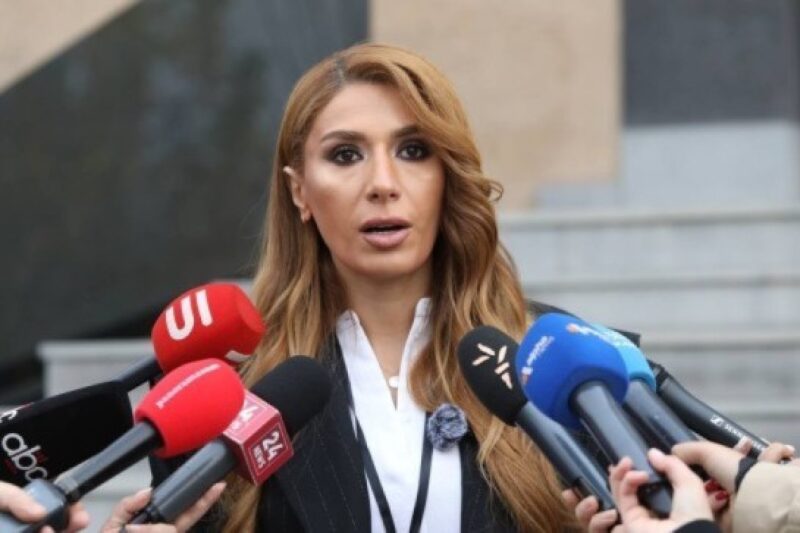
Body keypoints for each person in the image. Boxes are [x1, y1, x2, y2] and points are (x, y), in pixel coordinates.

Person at [207, 42, 579, 532]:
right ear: (300, 190)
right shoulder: (229, 393)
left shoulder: (559, 362)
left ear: (447, 175)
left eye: (413, 150)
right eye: (345, 155)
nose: (383, 183)